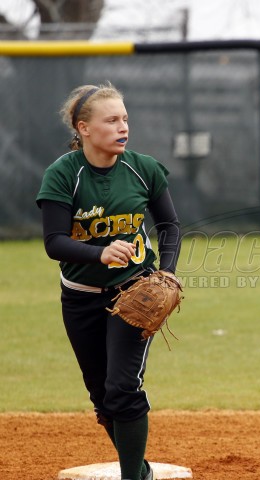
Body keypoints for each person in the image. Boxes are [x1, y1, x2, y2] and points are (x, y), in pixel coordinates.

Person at [36, 82, 182, 480]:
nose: (123, 127)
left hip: (134, 293)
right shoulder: (64, 174)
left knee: (123, 387)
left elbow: (169, 226)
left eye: (125, 119)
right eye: (112, 120)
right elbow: (54, 242)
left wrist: (167, 272)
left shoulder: (143, 168)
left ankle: (133, 477)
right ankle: (141, 470)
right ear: (83, 128)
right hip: (80, 298)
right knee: (102, 395)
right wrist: (98, 252)